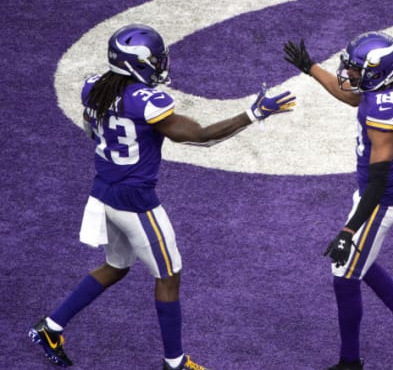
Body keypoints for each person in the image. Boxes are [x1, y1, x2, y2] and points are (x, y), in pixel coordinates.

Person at [28, 23, 295, 370]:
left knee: (116, 266)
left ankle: (50, 328)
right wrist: (253, 114)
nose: (160, 65)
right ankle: (175, 362)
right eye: (154, 60)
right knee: (169, 276)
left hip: (103, 192)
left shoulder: (94, 87)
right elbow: (201, 137)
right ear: (137, 63)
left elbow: (90, 126)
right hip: (135, 201)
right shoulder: (147, 101)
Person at [284, 32, 393, 370]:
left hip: (381, 199)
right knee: (359, 265)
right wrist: (311, 68)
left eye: (357, 71)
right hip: (384, 190)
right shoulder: (391, 81)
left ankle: (350, 363)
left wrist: (349, 229)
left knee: (345, 276)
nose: (351, 75)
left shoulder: (384, 113)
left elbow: (379, 182)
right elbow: (356, 97)